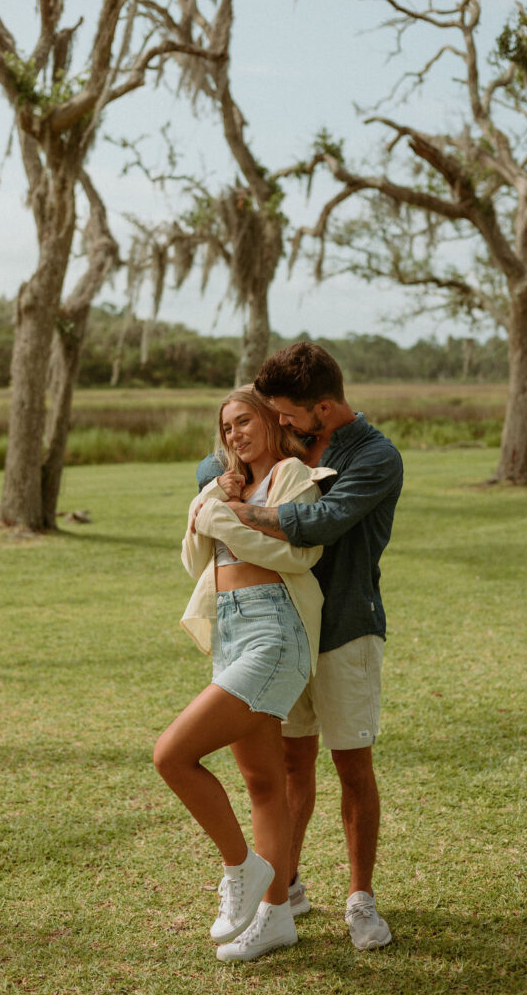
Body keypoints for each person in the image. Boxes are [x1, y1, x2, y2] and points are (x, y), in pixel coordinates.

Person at [196, 343, 403, 951]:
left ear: (323, 407)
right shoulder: (287, 446)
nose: (278, 421)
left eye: (287, 414)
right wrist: (226, 483)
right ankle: (283, 890)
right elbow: (220, 464)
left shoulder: (374, 456)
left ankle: (360, 899)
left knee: (352, 765)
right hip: (283, 632)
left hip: (343, 625)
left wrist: (233, 509)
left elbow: (316, 525)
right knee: (290, 763)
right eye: (274, 414)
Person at [153, 385, 335, 963]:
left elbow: (300, 557)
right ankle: (276, 916)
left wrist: (225, 520)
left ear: (271, 422)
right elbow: (192, 560)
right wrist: (214, 501)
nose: (234, 434)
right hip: (230, 632)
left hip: (275, 632)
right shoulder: (223, 486)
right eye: (227, 427)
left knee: (172, 755)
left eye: (244, 421)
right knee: (263, 782)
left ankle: (244, 869)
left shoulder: (293, 477)